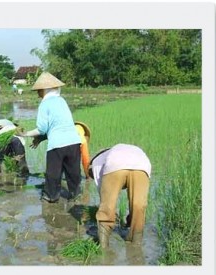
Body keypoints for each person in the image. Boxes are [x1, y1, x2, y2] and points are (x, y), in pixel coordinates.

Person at [18, 72, 81, 203]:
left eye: (39, 91)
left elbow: (42, 129)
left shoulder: (44, 104)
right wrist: (41, 139)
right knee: (73, 170)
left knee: (53, 173)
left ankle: (51, 196)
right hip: (74, 141)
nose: (38, 94)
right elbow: (60, 124)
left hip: (56, 145)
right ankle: (75, 194)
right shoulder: (62, 101)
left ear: (44, 90)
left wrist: (25, 134)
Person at [88, 143, 152, 248]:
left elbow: (104, 197)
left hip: (115, 163)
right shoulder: (116, 150)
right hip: (142, 164)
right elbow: (136, 204)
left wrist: (108, 211)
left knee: (106, 208)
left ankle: (103, 247)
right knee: (139, 207)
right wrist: (130, 219)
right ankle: (136, 244)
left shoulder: (96, 163)